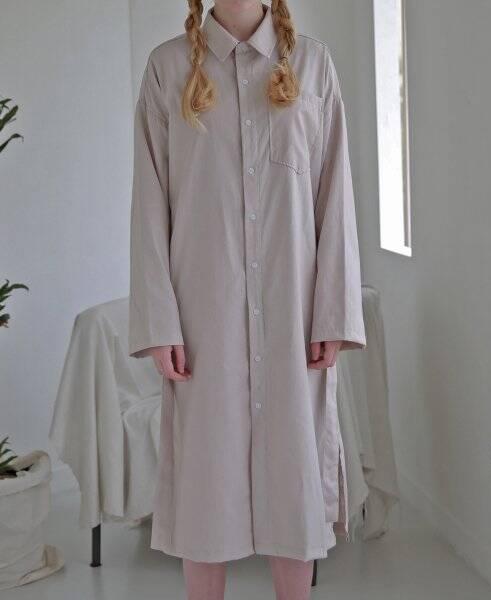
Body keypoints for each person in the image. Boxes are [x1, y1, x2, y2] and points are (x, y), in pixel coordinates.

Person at [128, 1, 366, 598]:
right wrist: (159, 321)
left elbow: (335, 196)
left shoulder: (313, 65)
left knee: (295, 480)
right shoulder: (167, 68)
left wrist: (333, 312)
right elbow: (149, 204)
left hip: (294, 316)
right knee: (205, 488)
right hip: (203, 319)